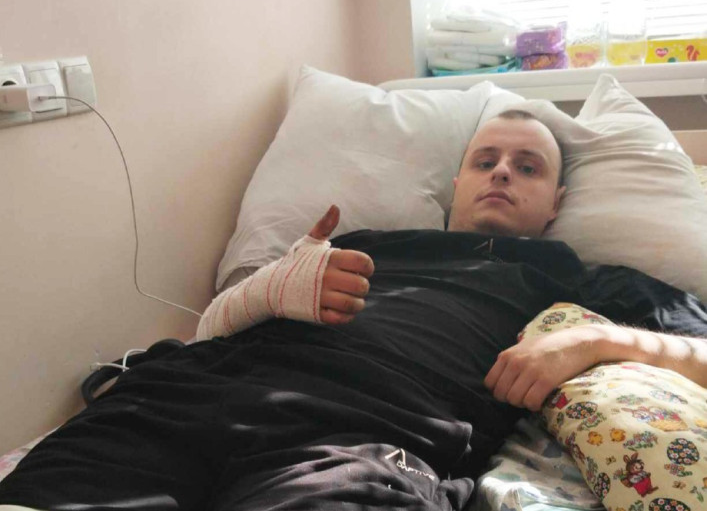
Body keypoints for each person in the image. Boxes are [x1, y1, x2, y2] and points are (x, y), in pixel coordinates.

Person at [0, 111, 705, 511]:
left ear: (556, 203)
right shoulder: (361, 241)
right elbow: (216, 327)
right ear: (455, 181)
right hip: (182, 401)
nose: (500, 172)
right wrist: (270, 288)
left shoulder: (573, 276)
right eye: (485, 159)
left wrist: (592, 342)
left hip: (358, 439)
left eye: (527, 167)